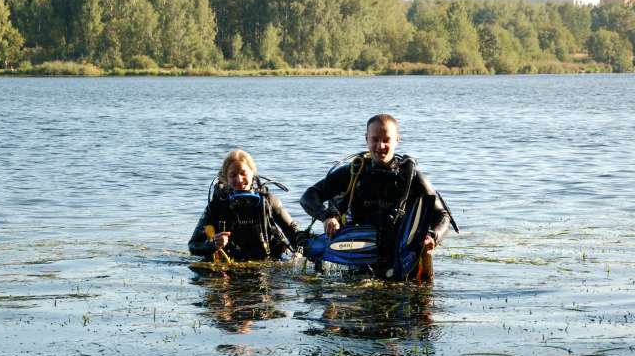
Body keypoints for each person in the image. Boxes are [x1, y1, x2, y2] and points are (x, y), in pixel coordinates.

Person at [300, 114, 453, 279]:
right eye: (375, 139)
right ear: (366, 139)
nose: (381, 146)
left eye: (387, 140)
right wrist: (327, 216)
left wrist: (433, 237)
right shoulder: (352, 173)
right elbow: (308, 196)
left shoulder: (412, 178)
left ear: (397, 140)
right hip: (358, 257)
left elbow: (443, 215)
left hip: (399, 259)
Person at [189, 149, 300, 262]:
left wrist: (299, 252)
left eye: (243, 173)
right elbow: (193, 246)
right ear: (226, 178)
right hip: (227, 269)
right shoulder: (217, 206)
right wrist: (213, 244)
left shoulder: (268, 201)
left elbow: (295, 233)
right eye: (233, 175)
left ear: (252, 173)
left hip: (265, 267)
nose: (239, 179)